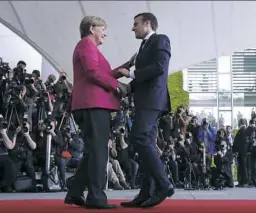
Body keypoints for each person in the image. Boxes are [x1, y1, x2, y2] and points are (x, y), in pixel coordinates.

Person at [64, 16, 130, 209]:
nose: (105, 33)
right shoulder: (86, 45)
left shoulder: (87, 47)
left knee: (93, 152)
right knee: (99, 153)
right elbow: (92, 73)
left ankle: (75, 193)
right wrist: (117, 85)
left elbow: (101, 73)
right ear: (92, 28)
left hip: (91, 105)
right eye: (103, 29)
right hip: (93, 105)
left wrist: (126, 66)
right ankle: (96, 198)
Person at [114, 12, 174, 208]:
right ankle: (146, 192)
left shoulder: (161, 40)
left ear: (148, 23)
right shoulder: (142, 47)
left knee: (139, 138)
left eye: (136, 24)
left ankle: (164, 184)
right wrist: (128, 88)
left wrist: (130, 73)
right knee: (144, 142)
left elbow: (158, 68)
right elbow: (144, 77)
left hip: (152, 100)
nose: (133, 28)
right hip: (144, 100)